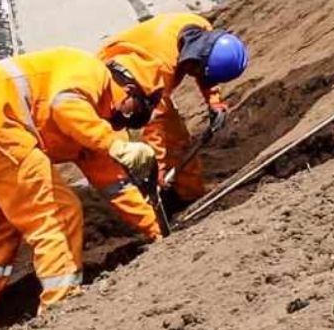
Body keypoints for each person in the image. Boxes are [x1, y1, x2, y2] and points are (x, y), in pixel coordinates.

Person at [0, 46, 165, 326]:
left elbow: (114, 184)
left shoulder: (92, 122)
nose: (129, 120)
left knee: (2, 224)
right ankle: (60, 305)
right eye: (137, 109)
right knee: (57, 212)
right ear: (129, 90)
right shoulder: (92, 74)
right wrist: (114, 144)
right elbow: (64, 105)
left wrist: (156, 231)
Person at [98, 13, 248, 208]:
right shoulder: (162, 67)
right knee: (131, 154)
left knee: (178, 142)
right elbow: (152, 125)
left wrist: (214, 100)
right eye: (196, 71)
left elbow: (206, 68)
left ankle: (190, 196)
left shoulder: (200, 30)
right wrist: (155, 171)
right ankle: (144, 204)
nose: (195, 75)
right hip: (117, 86)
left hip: (144, 79)